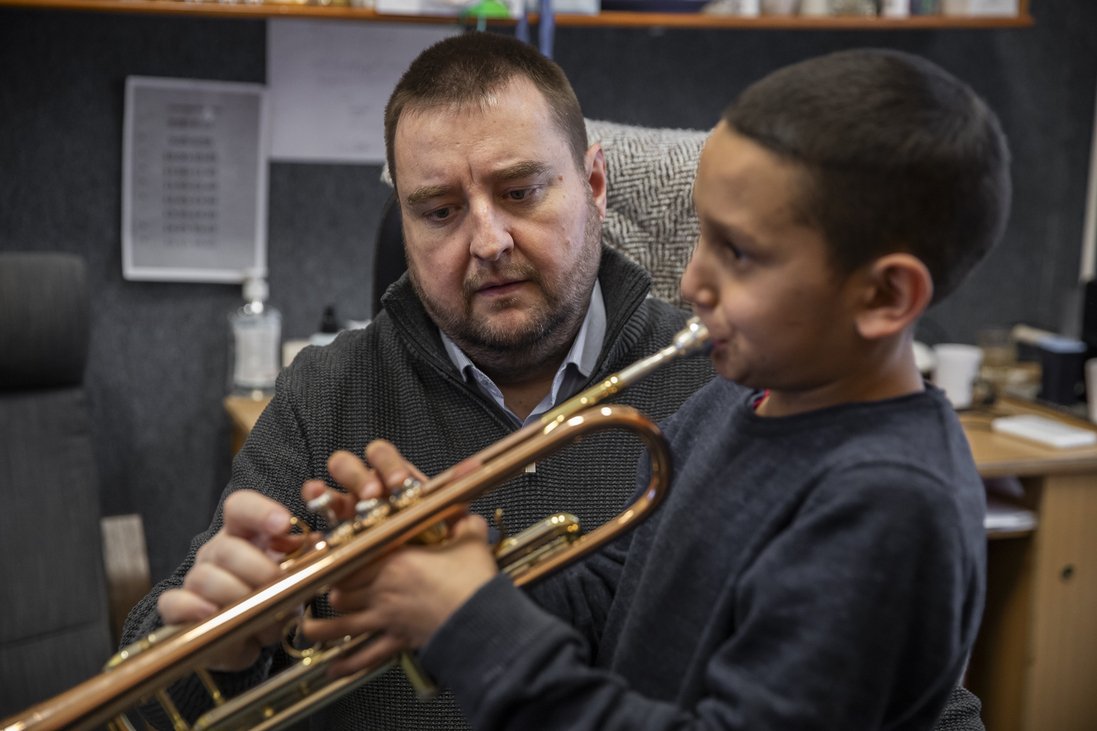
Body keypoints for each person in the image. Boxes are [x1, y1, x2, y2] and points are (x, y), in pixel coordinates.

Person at [296, 48, 1010, 730]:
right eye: (702, 234)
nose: (692, 279)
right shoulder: (738, 399)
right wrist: (462, 558)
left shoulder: (886, 503)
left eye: (737, 252)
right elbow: (622, 592)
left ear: (884, 295)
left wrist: (472, 619)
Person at [122, 32, 716, 731]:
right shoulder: (327, 389)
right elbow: (144, 695)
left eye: (520, 191)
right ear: (403, 223)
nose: (488, 241)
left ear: (593, 185)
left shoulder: (712, 376)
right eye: (439, 211)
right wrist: (218, 651)